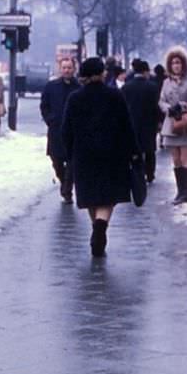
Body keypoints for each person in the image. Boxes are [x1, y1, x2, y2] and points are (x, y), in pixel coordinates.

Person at [61, 57, 138, 256]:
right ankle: (100, 227)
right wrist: (134, 152)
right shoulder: (115, 96)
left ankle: (97, 227)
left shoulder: (74, 98)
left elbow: (65, 131)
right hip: (112, 155)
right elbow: (127, 127)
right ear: (101, 73)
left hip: (84, 156)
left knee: (91, 197)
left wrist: (70, 155)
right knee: (107, 197)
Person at [159, 47, 187, 205]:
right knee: (175, 159)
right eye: (173, 63)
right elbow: (161, 100)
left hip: (185, 123)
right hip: (170, 123)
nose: (176, 66)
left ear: (184, 64)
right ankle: (179, 191)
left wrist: (182, 105)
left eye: (179, 62)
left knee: (185, 159)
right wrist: (167, 108)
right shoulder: (166, 82)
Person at [40, 57, 81, 203]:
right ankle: (64, 182)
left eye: (69, 68)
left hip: (74, 133)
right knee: (56, 161)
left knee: (72, 163)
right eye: (64, 68)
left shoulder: (79, 87)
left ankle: (67, 190)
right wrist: (50, 119)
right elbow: (44, 105)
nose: (67, 70)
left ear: (74, 69)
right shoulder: (51, 86)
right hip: (56, 131)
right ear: (60, 69)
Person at [121, 59, 161, 183]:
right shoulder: (152, 87)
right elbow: (156, 106)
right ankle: (150, 174)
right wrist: (159, 121)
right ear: (145, 71)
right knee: (150, 150)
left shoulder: (126, 87)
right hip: (149, 123)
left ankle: (136, 171)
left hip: (131, 123)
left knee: (134, 149)